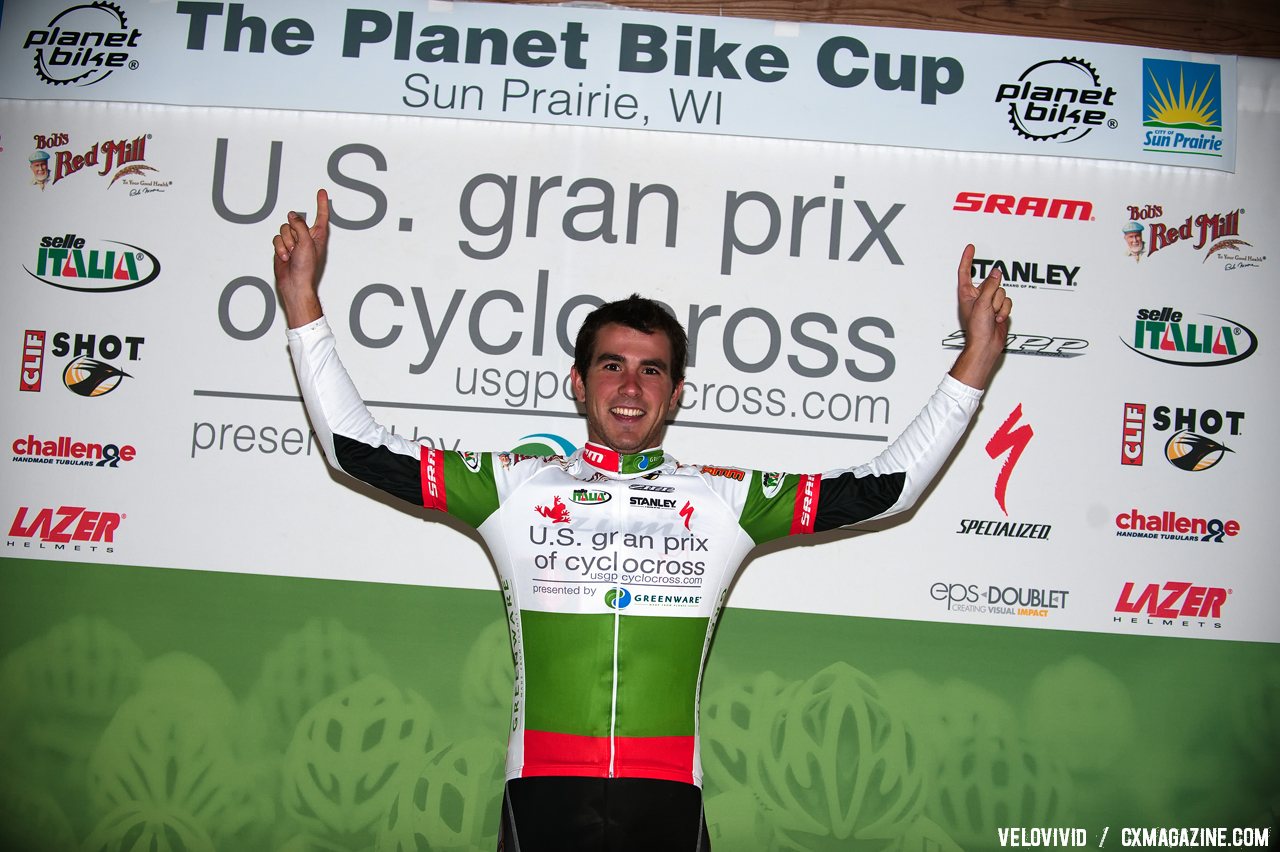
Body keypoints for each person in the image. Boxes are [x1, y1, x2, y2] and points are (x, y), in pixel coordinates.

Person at [273, 189, 1010, 852]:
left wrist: (976, 358)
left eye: (651, 369)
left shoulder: (721, 501)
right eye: (611, 364)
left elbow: (886, 488)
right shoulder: (516, 489)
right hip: (543, 795)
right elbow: (354, 448)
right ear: (578, 382)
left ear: (676, 391)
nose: (630, 385)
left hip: (667, 800)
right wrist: (303, 301)